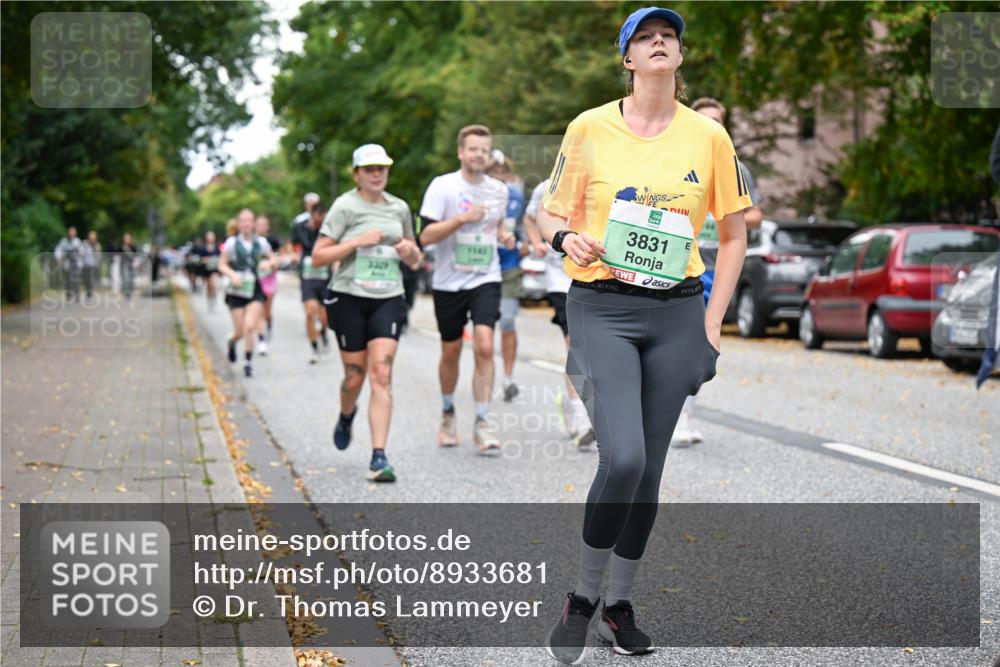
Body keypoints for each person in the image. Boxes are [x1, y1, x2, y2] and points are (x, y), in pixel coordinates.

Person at [535, 8, 750, 662]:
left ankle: (619, 607)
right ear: (627, 58)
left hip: (679, 311)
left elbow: (735, 233)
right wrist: (563, 235)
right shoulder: (589, 127)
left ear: (679, 57)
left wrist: (712, 323)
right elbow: (549, 210)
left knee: (650, 472)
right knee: (621, 457)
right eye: (645, 37)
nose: (660, 44)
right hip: (602, 305)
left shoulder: (709, 136)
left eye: (669, 37)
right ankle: (581, 596)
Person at [311, 144, 422, 482]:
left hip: (388, 297)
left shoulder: (399, 208)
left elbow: (416, 260)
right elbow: (318, 257)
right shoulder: (345, 206)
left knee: (382, 374)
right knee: (354, 376)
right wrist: (355, 243)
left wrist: (409, 252)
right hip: (349, 297)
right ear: (357, 173)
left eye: (382, 168)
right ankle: (347, 414)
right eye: (370, 168)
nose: (377, 174)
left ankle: (379, 456)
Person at [671, 96, 765, 445]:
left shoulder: (736, 168)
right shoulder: (676, 158)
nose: (712, 125)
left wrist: (722, 216)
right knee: (673, 342)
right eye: (705, 119)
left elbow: (754, 215)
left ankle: (684, 415)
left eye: (718, 120)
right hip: (678, 263)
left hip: (717, 265)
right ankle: (665, 410)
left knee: (699, 341)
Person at [418, 125, 515, 455]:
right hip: (448, 281)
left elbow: (498, 224)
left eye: (484, 151)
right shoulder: (442, 187)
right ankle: (447, 412)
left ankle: (483, 421)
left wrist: (504, 236)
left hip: (485, 277)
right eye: (473, 149)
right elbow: (426, 236)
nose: (478, 155)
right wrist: (461, 219)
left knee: (486, 345)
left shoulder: (498, 190)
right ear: (461, 151)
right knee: (451, 350)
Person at [523, 178, 597, 448]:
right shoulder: (547, 186)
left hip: (597, 277)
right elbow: (530, 219)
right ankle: (579, 412)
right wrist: (537, 243)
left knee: (595, 347)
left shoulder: (608, 178)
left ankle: (571, 401)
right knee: (575, 344)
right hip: (561, 279)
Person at [486, 149, 530, 402]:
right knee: (485, 328)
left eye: (504, 173)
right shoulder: (477, 196)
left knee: (507, 322)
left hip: (510, 267)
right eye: (495, 173)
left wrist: (525, 242)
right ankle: (486, 375)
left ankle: (508, 378)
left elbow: (525, 226)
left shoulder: (515, 197)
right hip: (482, 268)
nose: (500, 177)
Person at [219, 208, 277, 378]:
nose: (246, 224)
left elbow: (273, 258)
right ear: (238, 223)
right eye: (243, 220)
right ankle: (232, 342)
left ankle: (248, 362)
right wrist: (232, 274)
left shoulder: (261, 243)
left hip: (254, 290)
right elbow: (222, 264)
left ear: (253, 223)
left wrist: (269, 263)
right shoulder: (231, 243)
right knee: (239, 331)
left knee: (249, 326)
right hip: (236, 291)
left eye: (249, 220)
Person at [291, 202, 332, 364]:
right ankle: (314, 348)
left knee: (326, 318)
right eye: (319, 218)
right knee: (310, 312)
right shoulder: (300, 227)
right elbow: (292, 244)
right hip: (307, 277)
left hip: (325, 277)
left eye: (324, 218)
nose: (321, 221)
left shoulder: (328, 230)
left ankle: (323, 332)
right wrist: (294, 255)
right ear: (313, 215)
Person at [254, 214, 283, 355]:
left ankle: (269, 325)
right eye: (258, 224)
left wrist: (271, 263)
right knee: (259, 309)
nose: (261, 227)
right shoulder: (252, 241)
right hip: (257, 279)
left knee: (267, 310)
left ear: (267, 226)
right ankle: (262, 338)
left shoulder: (272, 241)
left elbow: (279, 259)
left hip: (270, 278)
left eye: (263, 224)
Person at [54, 226, 83, 301]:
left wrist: (78, 254)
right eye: (70, 232)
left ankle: (77, 295)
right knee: (68, 279)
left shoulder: (78, 241)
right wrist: (59, 258)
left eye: (73, 232)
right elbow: (58, 250)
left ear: (75, 233)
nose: (71, 233)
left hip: (76, 263)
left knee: (76, 279)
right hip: (67, 263)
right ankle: (69, 294)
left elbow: (82, 251)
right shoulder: (64, 241)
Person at [199, 231, 223, 310]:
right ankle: (209, 299)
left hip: (214, 269)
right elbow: (200, 259)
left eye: (211, 237)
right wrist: (205, 260)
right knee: (208, 286)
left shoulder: (217, 247)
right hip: (206, 269)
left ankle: (214, 295)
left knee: (213, 284)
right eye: (209, 237)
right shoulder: (203, 248)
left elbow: (221, 257)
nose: (210, 238)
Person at [80, 230, 102, 300]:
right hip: (86, 264)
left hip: (93, 265)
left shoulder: (97, 245)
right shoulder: (84, 243)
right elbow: (81, 253)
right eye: (91, 237)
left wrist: (98, 264)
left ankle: (90, 293)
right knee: (86, 280)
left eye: (93, 238)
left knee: (91, 280)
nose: (92, 239)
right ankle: (88, 292)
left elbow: (99, 256)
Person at [118, 232, 140, 300]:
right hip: (124, 264)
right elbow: (118, 255)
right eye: (125, 238)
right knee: (126, 278)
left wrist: (136, 262)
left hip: (132, 265)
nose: (127, 240)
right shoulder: (121, 247)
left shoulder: (133, 247)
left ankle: (130, 291)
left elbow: (137, 256)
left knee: (131, 279)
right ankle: (127, 293)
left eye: (128, 238)